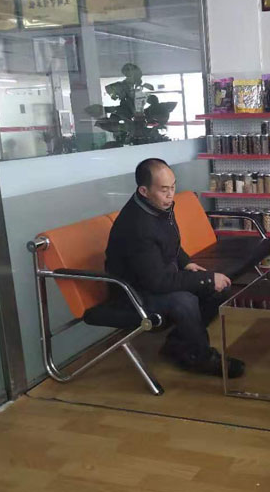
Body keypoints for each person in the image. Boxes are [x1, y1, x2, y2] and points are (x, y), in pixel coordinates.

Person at [105, 158, 245, 378]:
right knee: (185, 300)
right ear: (144, 190)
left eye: (173, 187)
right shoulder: (137, 227)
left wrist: (186, 262)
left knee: (219, 289)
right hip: (132, 293)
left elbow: (169, 241)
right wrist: (207, 278)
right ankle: (201, 357)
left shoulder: (156, 206)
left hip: (156, 278)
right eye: (164, 190)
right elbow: (157, 282)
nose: (171, 195)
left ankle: (179, 345)